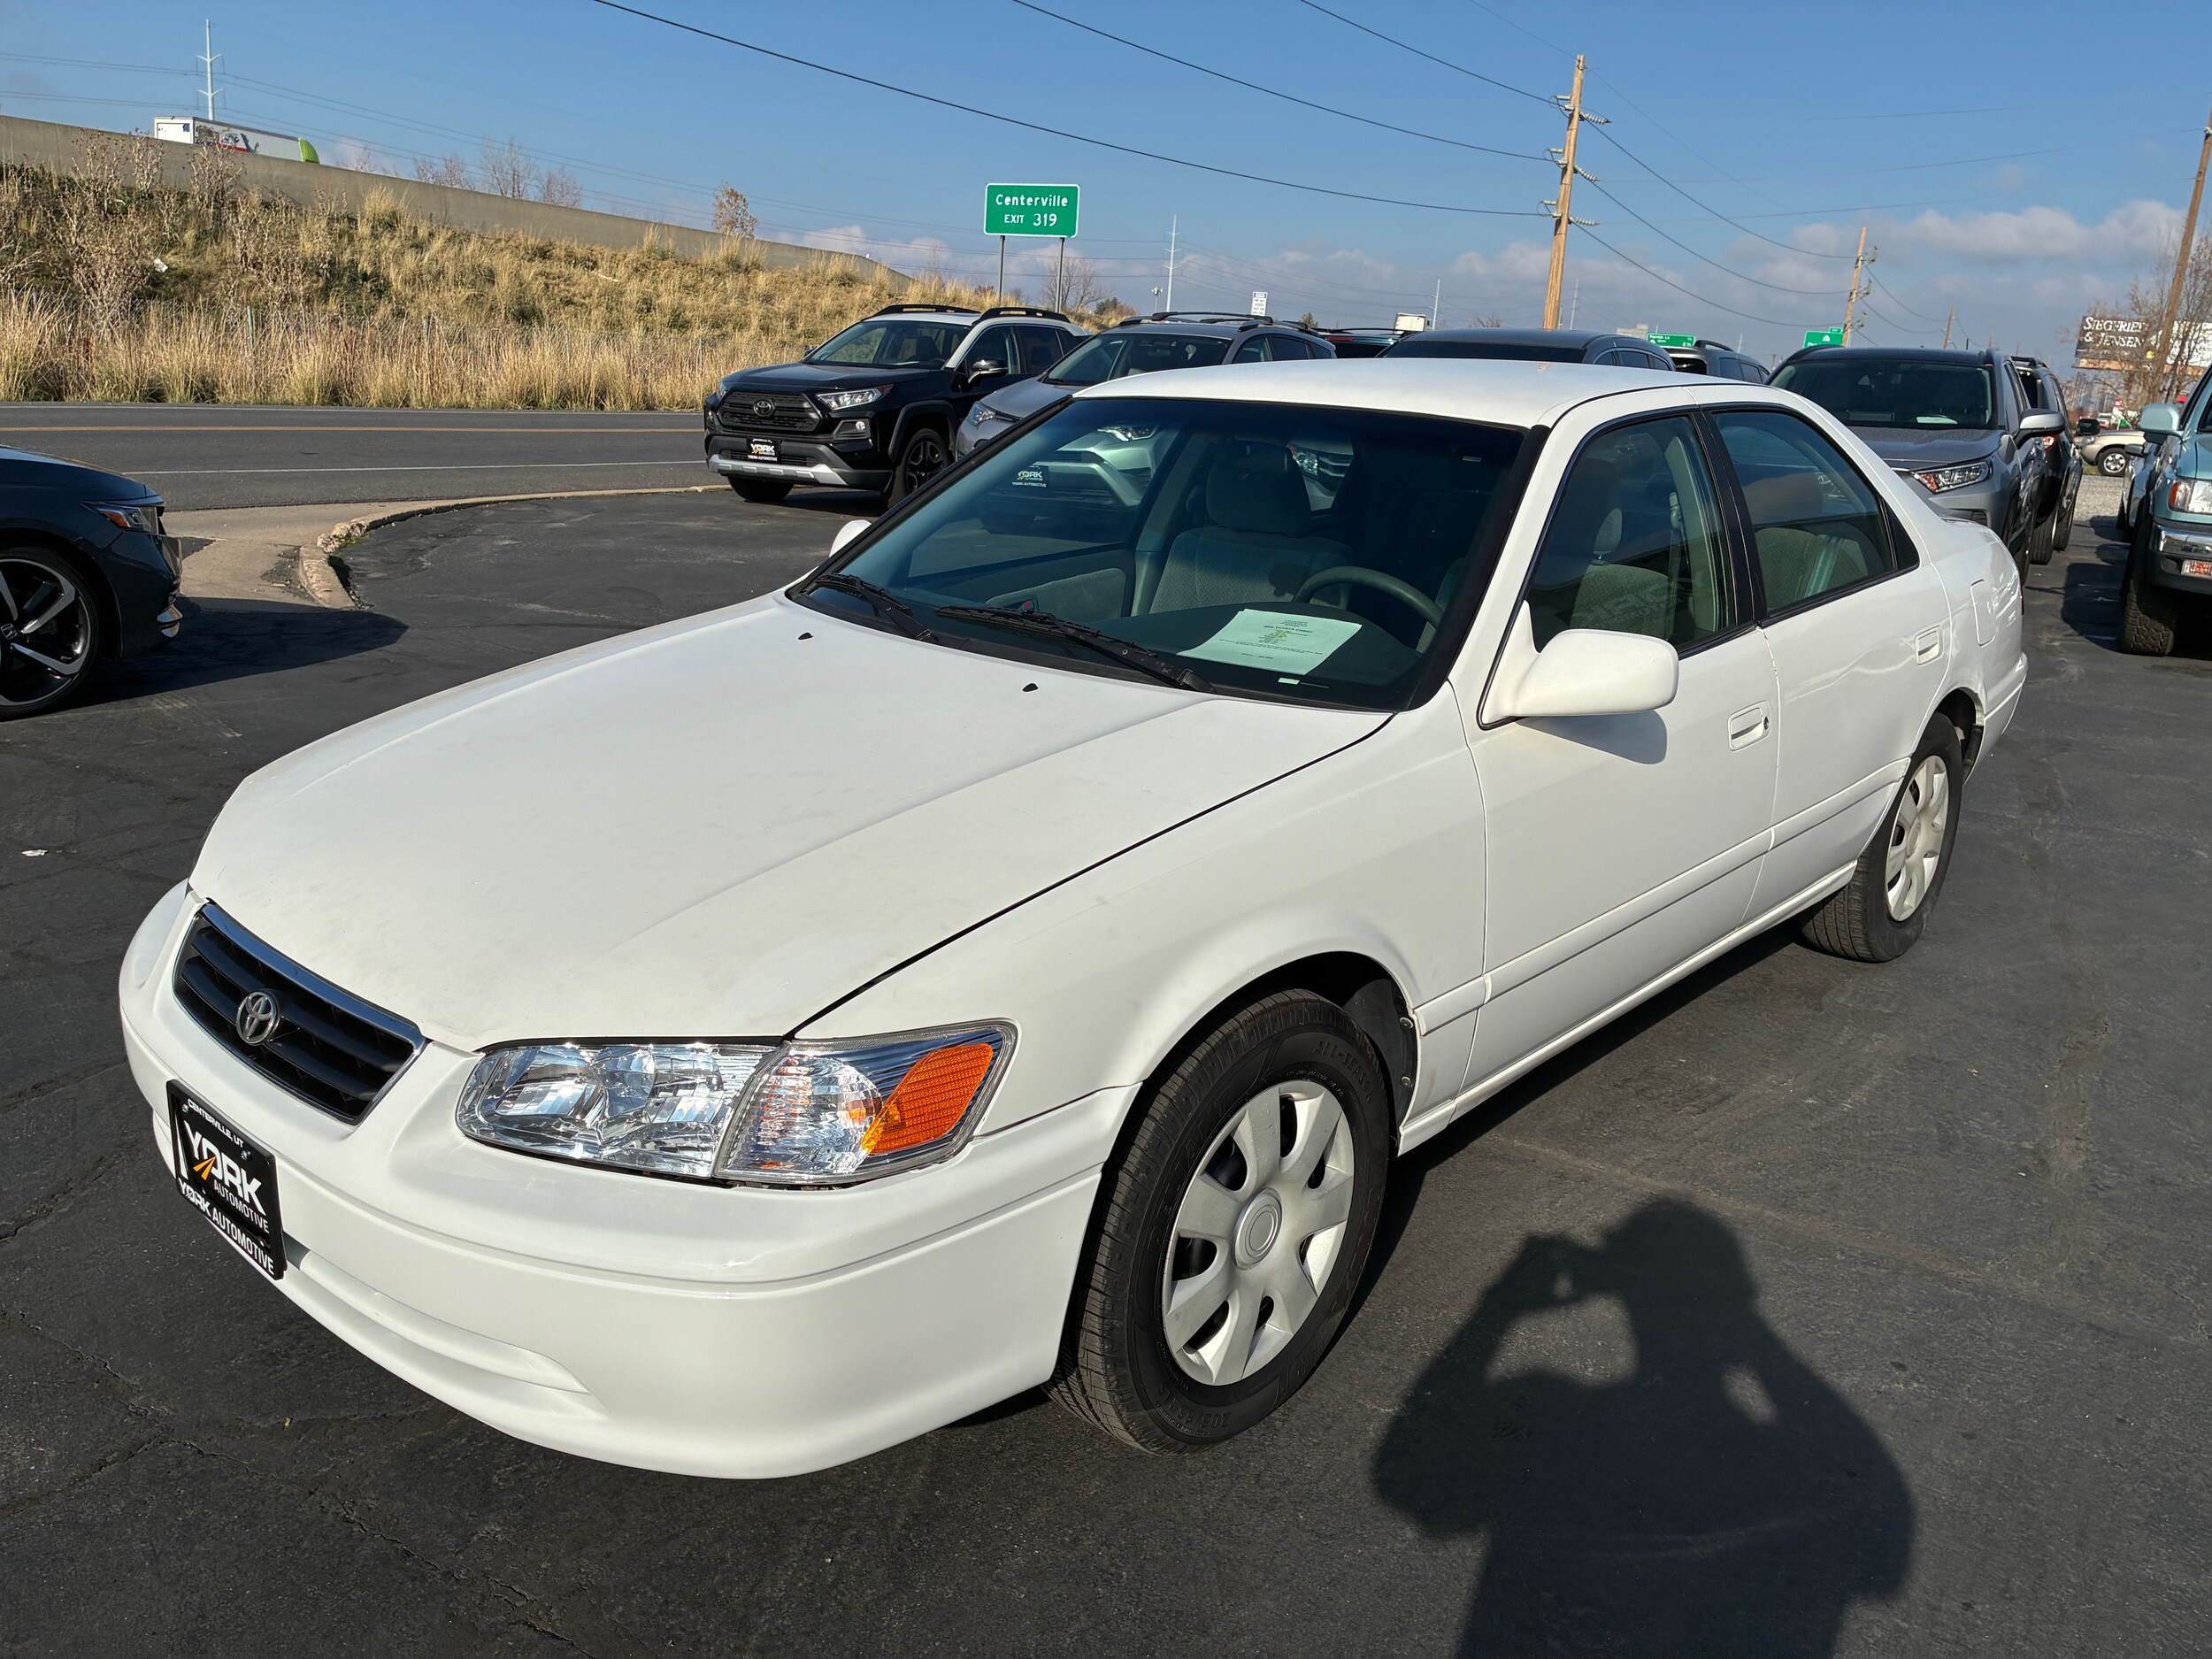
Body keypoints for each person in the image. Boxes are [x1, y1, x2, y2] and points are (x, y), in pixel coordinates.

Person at [1376, 1200, 1912, 1657]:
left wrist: (1496, 1310)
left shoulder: (1550, 1416)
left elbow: (1404, 1473)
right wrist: (1743, 1324)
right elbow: (1884, 1538)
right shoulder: (1782, 1470)